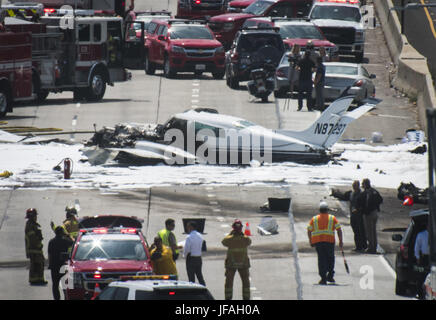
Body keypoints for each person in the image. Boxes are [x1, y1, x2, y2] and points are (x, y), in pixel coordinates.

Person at [307, 201, 343, 285]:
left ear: (319, 210)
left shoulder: (314, 219)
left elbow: (309, 230)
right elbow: (339, 230)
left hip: (318, 242)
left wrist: (311, 240)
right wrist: (340, 241)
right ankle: (330, 276)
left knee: (321, 259)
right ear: (327, 209)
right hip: (329, 242)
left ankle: (323, 278)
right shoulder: (332, 218)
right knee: (330, 258)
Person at [222, 219, 251, 300]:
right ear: (241, 228)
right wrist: (242, 233)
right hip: (243, 264)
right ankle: (246, 298)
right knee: (246, 283)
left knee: (229, 283)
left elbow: (223, 242)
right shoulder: (245, 238)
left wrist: (231, 233)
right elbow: (249, 241)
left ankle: (228, 298)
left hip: (231, 264)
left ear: (233, 228)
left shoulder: (229, 239)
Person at [48, 226, 73, 300]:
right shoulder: (65, 241)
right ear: (62, 233)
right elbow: (73, 242)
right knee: (65, 285)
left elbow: (49, 254)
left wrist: (50, 264)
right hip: (63, 265)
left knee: (55, 285)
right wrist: (68, 235)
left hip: (54, 265)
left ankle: (56, 298)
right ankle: (66, 297)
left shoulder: (51, 241)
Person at [25, 208, 48, 286]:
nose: (36, 217)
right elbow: (32, 238)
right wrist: (39, 245)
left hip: (36, 249)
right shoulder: (30, 226)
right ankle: (34, 280)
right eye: (35, 215)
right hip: (34, 249)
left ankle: (40, 279)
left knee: (40, 264)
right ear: (32, 216)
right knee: (35, 264)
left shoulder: (33, 225)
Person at [361, 178, 383, 254]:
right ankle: (374, 246)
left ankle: (371, 248)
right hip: (375, 213)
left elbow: (367, 203)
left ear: (365, 184)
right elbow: (380, 199)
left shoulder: (367, 192)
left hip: (369, 214)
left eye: (363, 183)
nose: (362, 185)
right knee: (373, 231)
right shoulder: (374, 191)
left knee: (369, 232)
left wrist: (366, 210)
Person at [184, 222, 206, 286]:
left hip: (191, 258)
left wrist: (184, 255)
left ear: (191, 227)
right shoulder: (200, 235)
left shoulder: (189, 237)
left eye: (188, 227)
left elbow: (187, 249)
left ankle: (192, 291)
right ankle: (204, 289)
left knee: (191, 277)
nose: (187, 228)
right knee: (199, 276)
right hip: (198, 258)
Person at [349, 180, 367, 252]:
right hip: (353, 215)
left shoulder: (361, 194)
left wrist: (359, 210)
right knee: (355, 231)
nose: (354, 187)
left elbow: (363, 204)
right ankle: (358, 246)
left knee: (361, 231)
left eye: (355, 185)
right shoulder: (352, 193)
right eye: (353, 185)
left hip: (359, 215)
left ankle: (363, 246)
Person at [414, 225, 430, 299]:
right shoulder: (422, 234)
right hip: (424, 257)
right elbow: (417, 246)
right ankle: (420, 293)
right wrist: (417, 257)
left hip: (432, 257)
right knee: (421, 275)